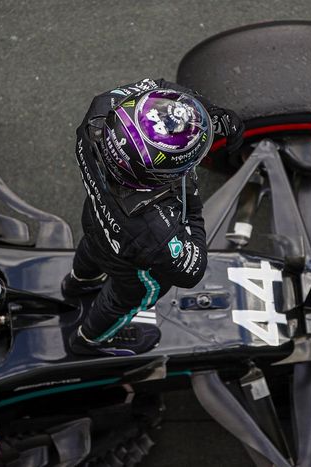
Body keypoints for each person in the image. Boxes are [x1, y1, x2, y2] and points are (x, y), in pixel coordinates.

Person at [62, 78, 243, 356]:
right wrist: (192, 204)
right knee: (124, 300)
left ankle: (76, 284)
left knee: (90, 249)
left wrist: (203, 111)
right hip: (133, 266)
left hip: (95, 222)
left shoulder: (96, 120)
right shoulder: (155, 228)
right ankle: (89, 341)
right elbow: (191, 271)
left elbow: (155, 88)